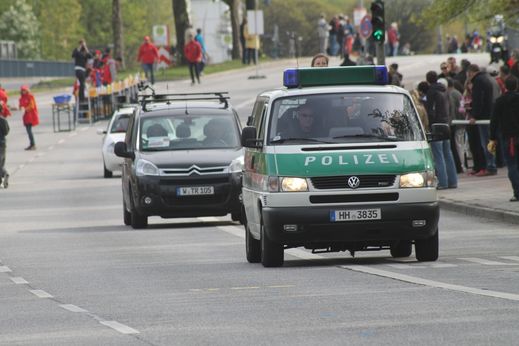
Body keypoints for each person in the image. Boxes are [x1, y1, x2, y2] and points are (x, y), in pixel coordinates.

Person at [424, 71, 458, 189]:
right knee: (448, 153)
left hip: (436, 125)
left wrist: (430, 124)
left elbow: (431, 110)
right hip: (446, 123)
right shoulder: (444, 90)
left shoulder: (431, 92)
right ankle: (453, 181)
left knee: (438, 155)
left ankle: (443, 182)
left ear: (428, 80)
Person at [488, 76, 519, 201]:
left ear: (505, 86)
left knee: (511, 165)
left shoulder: (500, 101)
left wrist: (492, 137)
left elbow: (494, 121)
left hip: (508, 137)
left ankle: (517, 191)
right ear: (516, 86)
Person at [467, 64, 497, 176]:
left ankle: (490, 166)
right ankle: (491, 165)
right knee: (489, 142)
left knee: (485, 143)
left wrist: (474, 115)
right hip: (489, 114)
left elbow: (479, 100)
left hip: (483, 117)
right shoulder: (486, 78)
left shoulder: (478, 81)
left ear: (471, 72)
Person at [18, 86, 39, 151]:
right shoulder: (21, 98)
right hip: (26, 115)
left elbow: (32, 105)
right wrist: (20, 107)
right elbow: (20, 105)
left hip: (31, 115)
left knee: (29, 131)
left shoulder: (30, 96)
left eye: (24, 90)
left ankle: (33, 144)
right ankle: (31, 144)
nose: (23, 92)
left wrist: (26, 108)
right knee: (28, 131)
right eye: (22, 91)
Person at [0, 114, 9, 188]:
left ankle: (4, 174)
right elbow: (6, 131)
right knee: (1, 162)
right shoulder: (3, 120)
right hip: (2, 143)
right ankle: (4, 174)